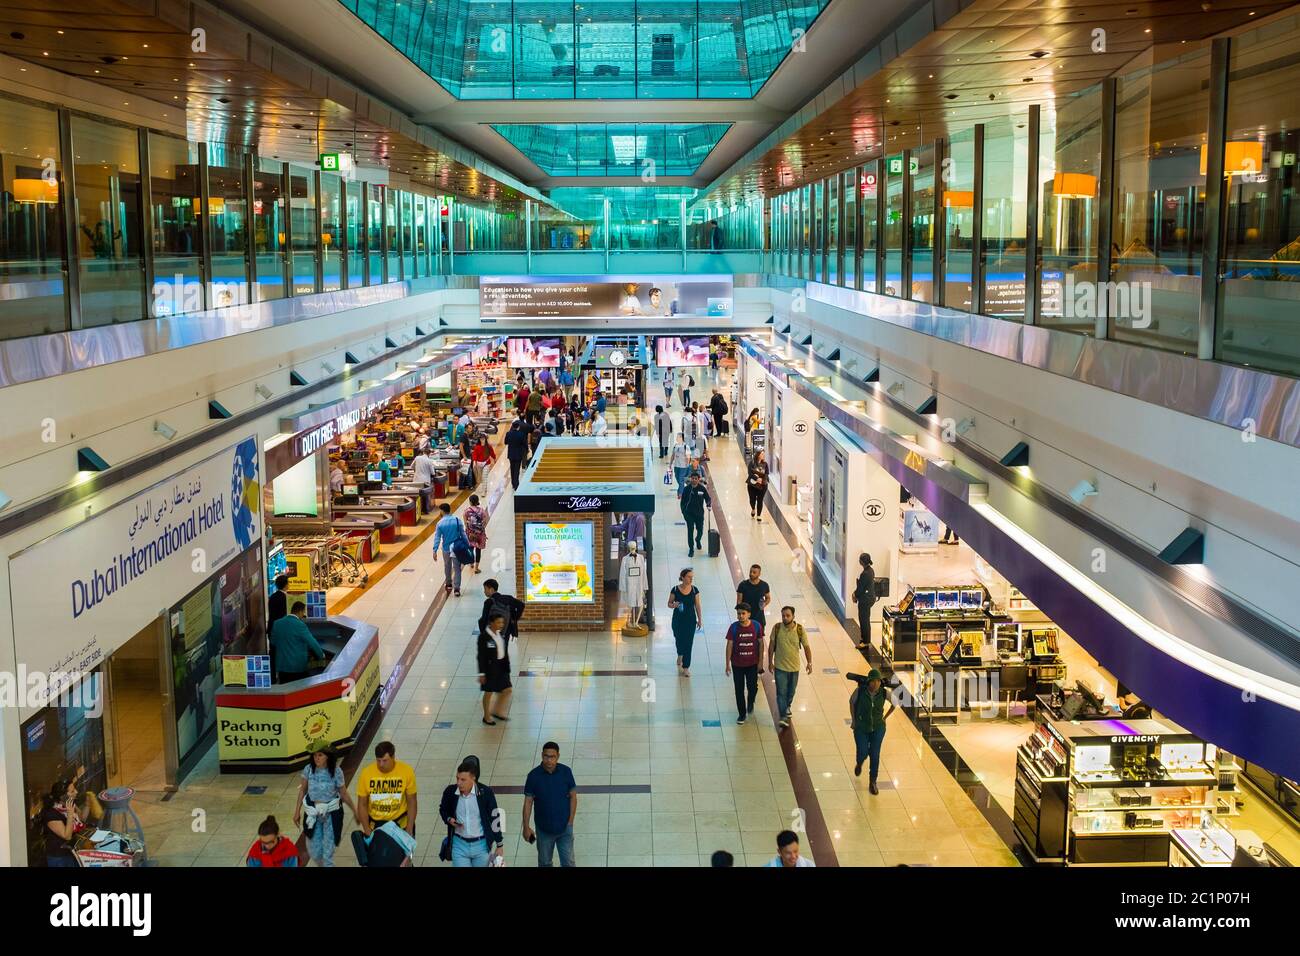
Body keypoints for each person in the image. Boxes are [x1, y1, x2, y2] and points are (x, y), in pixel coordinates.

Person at [294, 743, 358, 867]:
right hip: (313, 814)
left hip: (331, 814)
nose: (316, 758)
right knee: (315, 851)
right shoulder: (308, 769)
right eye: (314, 755)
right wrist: (297, 811)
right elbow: (303, 790)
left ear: (328, 756)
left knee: (328, 853)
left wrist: (355, 810)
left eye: (320, 755)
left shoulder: (336, 771)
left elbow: (343, 793)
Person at [522, 741, 578, 867]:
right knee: (545, 863)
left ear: (558, 756)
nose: (549, 760)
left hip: (565, 828)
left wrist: (570, 821)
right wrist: (526, 826)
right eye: (546, 756)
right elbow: (528, 802)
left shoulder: (566, 772)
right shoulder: (533, 776)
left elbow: (573, 796)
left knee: (569, 863)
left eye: (552, 757)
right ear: (542, 755)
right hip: (544, 830)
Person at [440, 759, 504, 867]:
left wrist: (499, 844)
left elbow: (495, 818)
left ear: (473, 778)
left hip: (481, 846)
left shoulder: (486, 793)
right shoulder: (450, 792)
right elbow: (443, 809)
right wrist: (449, 819)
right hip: (459, 845)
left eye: (463, 779)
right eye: (457, 778)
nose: (459, 783)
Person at [847, 668, 896, 794]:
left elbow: (895, 703)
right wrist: (854, 720)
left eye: (878, 681)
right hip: (861, 727)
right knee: (863, 751)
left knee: (875, 754)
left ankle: (873, 782)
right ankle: (859, 762)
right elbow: (851, 702)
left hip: (878, 728)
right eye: (873, 682)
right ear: (868, 682)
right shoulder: (860, 691)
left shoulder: (884, 693)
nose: (876, 684)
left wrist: (885, 718)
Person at [356, 740, 418, 836]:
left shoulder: (406, 772)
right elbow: (362, 804)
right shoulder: (366, 774)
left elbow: (412, 802)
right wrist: (367, 830)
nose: (381, 764)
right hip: (376, 827)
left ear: (393, 757)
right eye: (378, 760)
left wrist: (409, 828)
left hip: (401, 825)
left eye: (385, 760)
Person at [768, 606, 813, 729]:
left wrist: (809, 663)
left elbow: (806, 647)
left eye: (788, 615)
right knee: (781, 692)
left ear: (793, 616)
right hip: (780, 667)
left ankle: (787, 706)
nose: (785, 618)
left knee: (791, 692)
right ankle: (783, 716)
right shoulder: (777, 628)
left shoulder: (799, 629)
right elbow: (771, 645)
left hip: (794, 667)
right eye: (783, 615)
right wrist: (770, 662)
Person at [725, 602, 764, 724]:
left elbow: (761, 644)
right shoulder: (734, 627)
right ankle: (742, 714)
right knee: (739, 689)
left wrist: (760, 662)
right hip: (737, 664)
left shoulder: (757, 626)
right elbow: (729, 645)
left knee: (752, 688)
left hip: (752, 664)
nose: (740, 616)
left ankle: (751, 701)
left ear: (749, 614)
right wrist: (727, 664)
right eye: (738, 614)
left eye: (743, 613)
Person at [270, 600, 326, 683]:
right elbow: (312, 642)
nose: (303, 615)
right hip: (297, 668)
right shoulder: (300, 625)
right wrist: (321, 655)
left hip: (282, 667)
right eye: (303, 612)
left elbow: (273, 642)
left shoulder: (277, 623)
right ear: (300, 611)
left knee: (285, 690)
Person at [477, 610, 513, 725]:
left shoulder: (499, 634)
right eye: (498, 623)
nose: (501, 625)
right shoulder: (484, 637)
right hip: (490, 669)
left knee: (507, 690)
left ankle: (497, 711)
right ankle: (486, 716)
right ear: (491, 623)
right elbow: (481, 656)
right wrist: (482, 673)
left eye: (502, 623)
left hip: (501, 667)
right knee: (488, 693)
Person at [668, 568, 702, 676]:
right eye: (688, 577)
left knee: (689, 643)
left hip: (690, 620)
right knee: (678, 639)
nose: (691, 579)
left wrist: (700, 619)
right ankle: (680, 653)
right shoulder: (675, 589)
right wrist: (674, 605)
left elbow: (697, 605)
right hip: (678, 619)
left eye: (692, 577)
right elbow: (669, 603)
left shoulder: (694, 590)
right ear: (682, 577)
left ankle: (686, 666)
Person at [40, 779, 81, 867]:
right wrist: (70, 814)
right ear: (63, 796)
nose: (76, 792)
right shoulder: (51, 813)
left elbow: (81, 820)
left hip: (71, 853)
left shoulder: (66, 807)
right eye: (72, 791)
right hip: (59, 857)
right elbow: (67, 835)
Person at [431, 502, 466, 596]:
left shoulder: (440, 523)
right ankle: (457, 589)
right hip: (456, 548)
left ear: (442, 511)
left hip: (446, 549)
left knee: (447, 566)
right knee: (457, 568)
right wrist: (467, 544)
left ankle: (449, 583)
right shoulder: (457, 520)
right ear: (449, 510)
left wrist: (435, 550)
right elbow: (463, 534)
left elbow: (437, 537)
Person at [679, 471, 711, 558]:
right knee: (690, 531)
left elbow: (708, 499)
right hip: (689, 514)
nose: (694, 480)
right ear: (690, 479)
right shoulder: (687, 489)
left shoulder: (702, 489)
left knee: (700, 530)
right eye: (692, 478)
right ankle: (691, 548)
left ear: (698, 479)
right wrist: (684, 512)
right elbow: (682, 502)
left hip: (699, 514)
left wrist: (708, 505)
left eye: (695, 479)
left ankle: (698, 539)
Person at [736, 564, 771, 634]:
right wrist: (740, 615)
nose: (751, 574)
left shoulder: (764, 585)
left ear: (759, 574)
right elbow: (739, 602)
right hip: (746, 617)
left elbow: (768, 598)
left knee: (759, 638)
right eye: (750, 571)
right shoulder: (743, 585)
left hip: (759, 617)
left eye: (754, 572)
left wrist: (764, 604)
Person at [851, 553, 875, 650]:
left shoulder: (865, 574)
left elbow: (860, 588)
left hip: (865, 600)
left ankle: (865, 641)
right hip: (869, 598)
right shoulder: (870, 570)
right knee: (865, 619)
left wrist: (854, 595)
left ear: (862, 561)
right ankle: (865, 639)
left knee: (864, 620)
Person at [463, 494, 489, 573]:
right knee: (478, 550)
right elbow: (485, 521)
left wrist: (469, 530)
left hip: (470, 533)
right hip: (479, 534)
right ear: (477, 501)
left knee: (470, 548)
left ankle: (471, 563)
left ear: (470, 502)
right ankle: (476, 568)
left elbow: (465, 523)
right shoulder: (482, 511)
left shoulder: (467, 511)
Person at [504, 418, 531, 489]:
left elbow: (505, 442)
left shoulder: (508, 433)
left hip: (511, 454)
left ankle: (513, 483)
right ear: (518, 427)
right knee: (517, 470)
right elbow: (524, 444)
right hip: (519, 454)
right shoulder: (521, 434)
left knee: (512, 469)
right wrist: (527, 449)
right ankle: (516, 484)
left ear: (512, 426)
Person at [747, 449, 770, 520]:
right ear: (758, 455)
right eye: (762, 454)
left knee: (760, 500)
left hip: (762, 486)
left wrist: (763, 480)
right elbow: (750, 473)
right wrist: (757, 479)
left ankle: (759, 515)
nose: (763, 455)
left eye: (763, 454)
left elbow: (766, 474)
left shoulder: (765, 464)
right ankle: (753, 509)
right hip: (752, 485)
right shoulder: (752, 463)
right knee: (752, 499)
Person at [670, 432, 692, 498]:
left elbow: (688, 456)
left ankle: (680, 493)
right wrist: (670, 463)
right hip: (676, 466)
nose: (676, 438)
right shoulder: (675, 446)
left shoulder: (686, 446)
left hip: (683, 466)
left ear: (681, 438)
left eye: (677, 437)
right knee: (677, 478)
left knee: (681, 479)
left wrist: (687, 465)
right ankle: (681, 489)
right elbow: (673, 455)